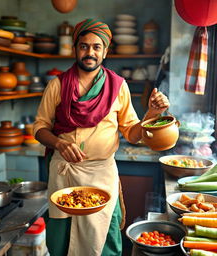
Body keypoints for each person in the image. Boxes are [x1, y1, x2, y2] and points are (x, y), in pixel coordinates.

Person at [33, 18, 170, 256]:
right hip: (65, 174)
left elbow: (133, 134)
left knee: (104, 238)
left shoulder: (118, 86)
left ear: (105, 51)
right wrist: (58, 143)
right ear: (75, 49)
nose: (90, 52)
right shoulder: (57, 85)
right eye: (84, 46)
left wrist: (152, 114)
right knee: (62, 239)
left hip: (101, 175)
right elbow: (40, 128)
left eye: (97, 47)